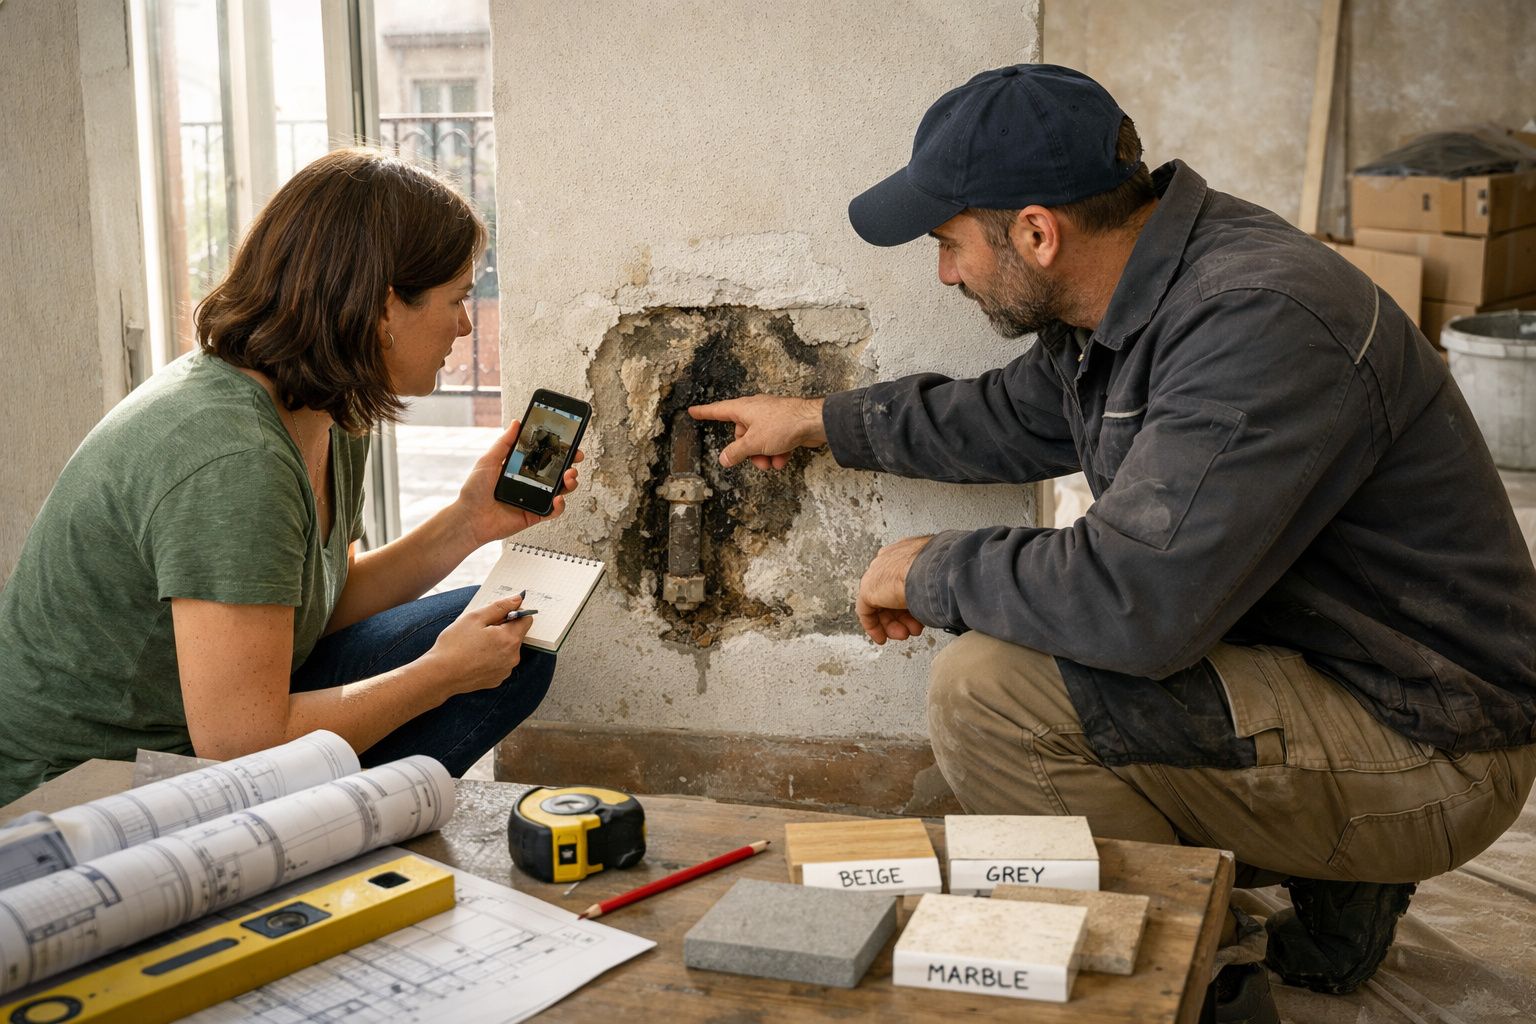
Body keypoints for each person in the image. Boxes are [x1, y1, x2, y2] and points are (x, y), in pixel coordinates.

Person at [691, 64, 1536, 1012]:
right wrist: (817, 421)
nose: (945, 274)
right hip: (1337, 669)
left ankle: (1190, 977)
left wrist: (929, 567)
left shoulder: (1257, 319)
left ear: (1037, 233)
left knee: (992, 695)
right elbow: (1009, 418)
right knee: (1045, 668)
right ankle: (1338, 878)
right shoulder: (1143, 292)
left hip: (1434, 742)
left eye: (949, 244)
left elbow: (1136, 600)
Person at [0, 148, 580, 803]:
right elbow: (240, 743)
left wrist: (467, 522)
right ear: (384, 309)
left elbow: (317, 608)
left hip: (201, 729)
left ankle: (344, 822)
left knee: (513, 638)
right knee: (467, 662)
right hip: (81, 785)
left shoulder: (329, 412)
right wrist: (438, 675)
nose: (466, 324)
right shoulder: (232, 456)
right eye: (456, 298)